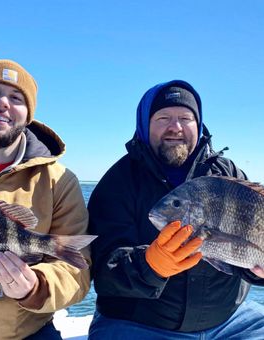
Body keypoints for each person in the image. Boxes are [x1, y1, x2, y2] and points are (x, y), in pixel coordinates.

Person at [87, 80, 264, 339]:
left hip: (232, 321)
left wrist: (255, 270)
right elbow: (102, 271)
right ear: (145, 125)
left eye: (185, 117)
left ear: (198, 124)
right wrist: (151, 265)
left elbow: (244, 251)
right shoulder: (119, 182)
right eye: (163, 117)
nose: (175, 127)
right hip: (139, 324)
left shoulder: (227, 174)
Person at [0, 59, 91, 339]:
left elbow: (78, 274)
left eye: (16, 97)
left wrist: (35, 288)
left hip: (28, 333)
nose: (3, 102)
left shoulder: (59, 181)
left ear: (28, 114)